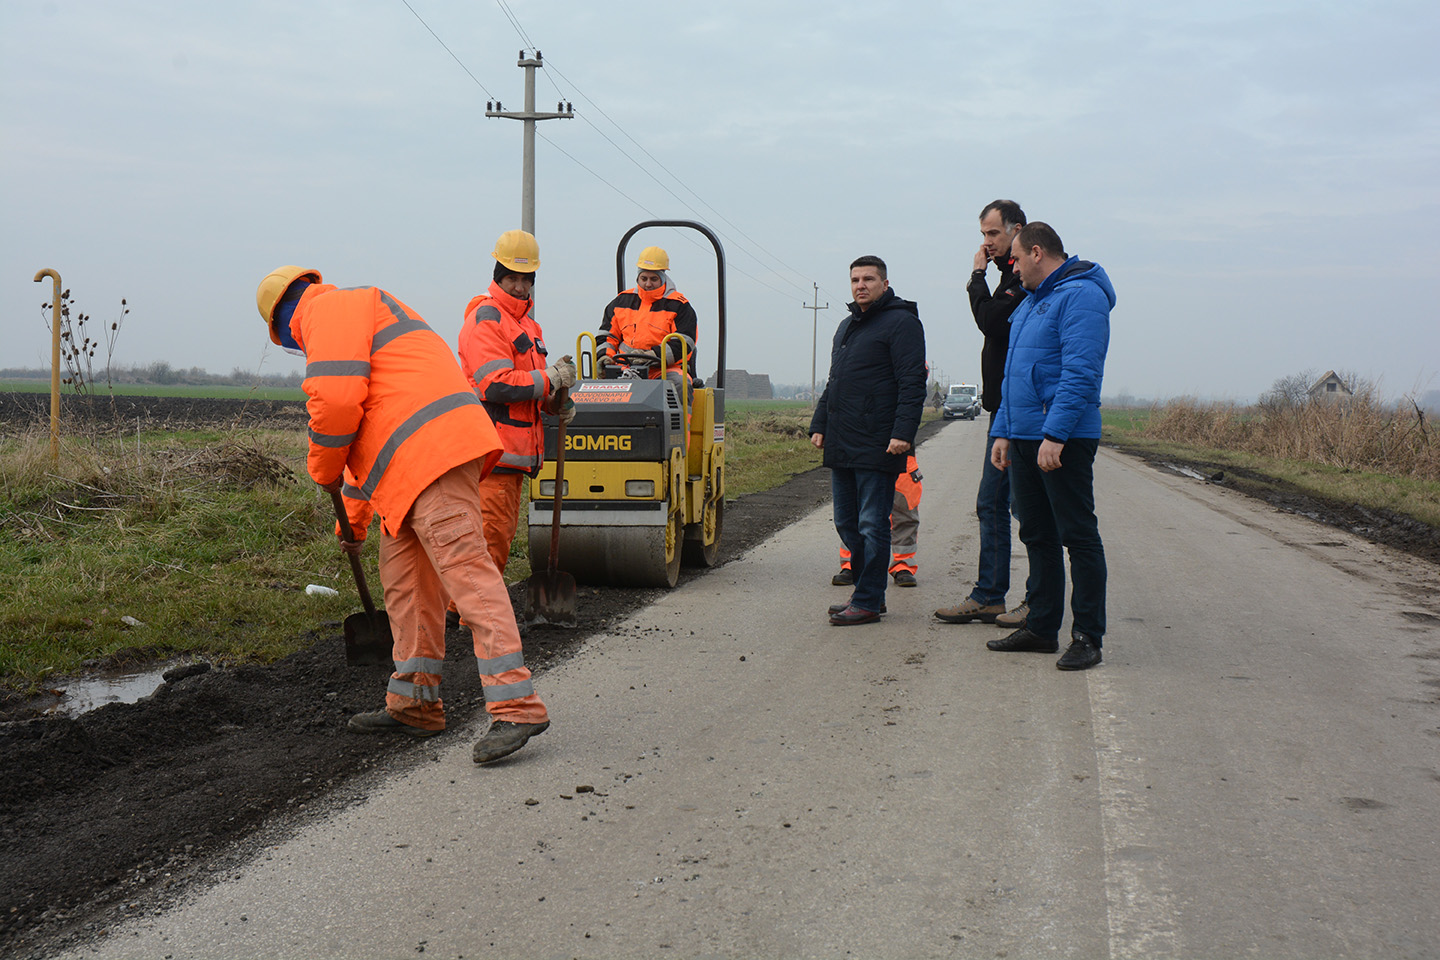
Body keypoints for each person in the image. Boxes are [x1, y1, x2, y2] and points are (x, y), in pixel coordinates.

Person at [255, 265, 551, 762]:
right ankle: (414, 703)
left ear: (284, 321)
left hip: (432, 454)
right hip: (406, 471)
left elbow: (335, 403)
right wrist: (351, 523)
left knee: (468, 577)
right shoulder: (360, 317)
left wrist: (320, 468)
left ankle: (517, 705)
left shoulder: (326, 310)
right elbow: (361, 438)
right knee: (406, 588)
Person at [986, 223, 1113, 670]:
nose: (1012, 267)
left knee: (1077, 535)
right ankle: (1041, 628)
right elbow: (1012, 377)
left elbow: (1081, 373)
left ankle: (1086, 636)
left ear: (1037, 252)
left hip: (1064, 438)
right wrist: (1003, 430)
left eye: (1016, 259)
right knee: (1036, 534)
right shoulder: (1030, 304)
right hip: (1021, 437)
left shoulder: (1083, 297)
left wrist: (1055, 434)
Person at [809, 255, 927, 625]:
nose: (861, 285)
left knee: (872, 524)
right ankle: (868, 594)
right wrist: (820, 422)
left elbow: (912, 383)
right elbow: (835, 382)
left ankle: (867, 599)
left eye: (869, 279)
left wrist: (902, 433)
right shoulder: (846, 326)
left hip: (879, 442)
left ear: (885, 284)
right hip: (843, 440)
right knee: (846, 521)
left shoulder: (902, 323)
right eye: (855, 279)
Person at [936, 199, 1034, 628]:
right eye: (983, 235)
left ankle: (1035, 600)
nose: (986, 243)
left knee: (1026, 510)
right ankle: (989, 596)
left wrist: (975, 277)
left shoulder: (1024, 278)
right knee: (991, 503)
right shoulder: (1007, 276)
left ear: (1018, 231)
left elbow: (992, 323)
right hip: (1003, 412)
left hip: (1024, 412)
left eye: (993, 234)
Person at [455, 230, 576, 578]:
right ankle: (476, 621)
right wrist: (550, 379)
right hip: (491, 452)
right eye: (512, 278)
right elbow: (495, 384)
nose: (520, 288)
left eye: (526, 280)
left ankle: (459, 613)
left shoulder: (528, 324)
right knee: (489, 540)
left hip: (511, 453)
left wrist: (554, 403)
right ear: (498, 276)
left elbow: (528, 390)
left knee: (490, 539)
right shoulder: (487, 319)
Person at [599, 245, 698, 392]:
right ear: (638, 277)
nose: (648, 283)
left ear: (663, 278)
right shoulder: (620, 302)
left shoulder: (679, 305)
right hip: (624, 367)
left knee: (680, 384)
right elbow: (607, 337)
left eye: (654, 279)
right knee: (595, 387)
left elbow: (683, 343)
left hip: (664, 370)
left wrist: (651, 357)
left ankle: (681, 416)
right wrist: (605, 358)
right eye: (644, 278)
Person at [834, 452, 922, 587]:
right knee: (856, 512)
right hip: (861, 452)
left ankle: (903, 565)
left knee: (905, 513)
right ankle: (852, 564)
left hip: (900, 453)